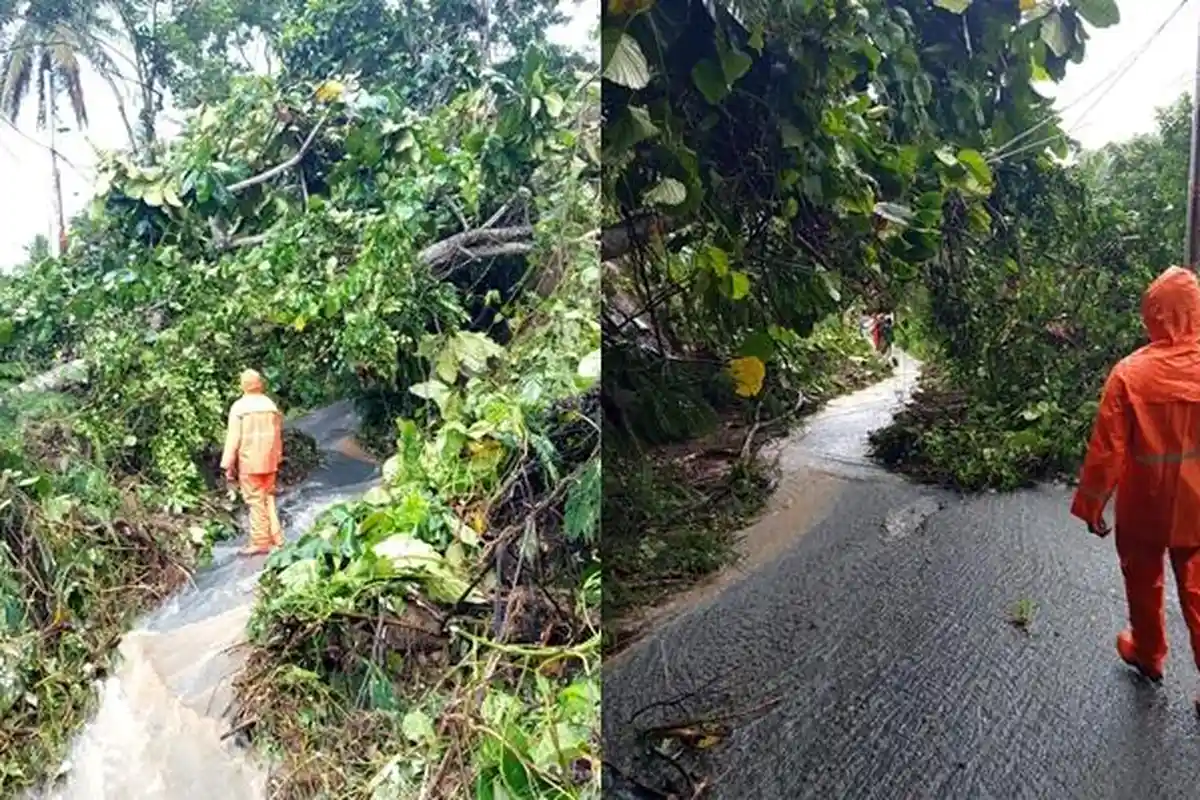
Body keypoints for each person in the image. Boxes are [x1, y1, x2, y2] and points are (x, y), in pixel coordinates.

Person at [1071, 266, 1200, 705]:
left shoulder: (1129, 373)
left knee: (1142, 579)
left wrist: (1092, 505)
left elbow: (1108, 449)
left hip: (1144, 504)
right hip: (1197, 508)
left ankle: (1148, 654)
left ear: (1154, 315)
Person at [220, 369, 285, 555]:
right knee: (268, 497)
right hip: (270, 460)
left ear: (243, 385)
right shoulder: (270, 405)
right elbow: (278, 435)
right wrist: (278, 456)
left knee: (255, 500)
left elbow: (234, 438)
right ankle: (277, 538)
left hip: (249, 462)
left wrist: (228, 465)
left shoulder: (239, 408)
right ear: (260, 384)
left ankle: (259, 541)